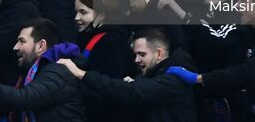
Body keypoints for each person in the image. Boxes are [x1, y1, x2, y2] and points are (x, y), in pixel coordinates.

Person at [0, 18, 86, 122]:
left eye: (22, 41)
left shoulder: (58, 71)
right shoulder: (32, 73)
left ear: (41, 45)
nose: (15, 47)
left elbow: (23, 99)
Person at [61, 28, 199, 121]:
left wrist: (82, 74)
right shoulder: (153, 76)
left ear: (159, 54)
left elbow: (133, 92)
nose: (136, 60)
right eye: (135, 55)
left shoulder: (173, 79)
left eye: (142, 54)